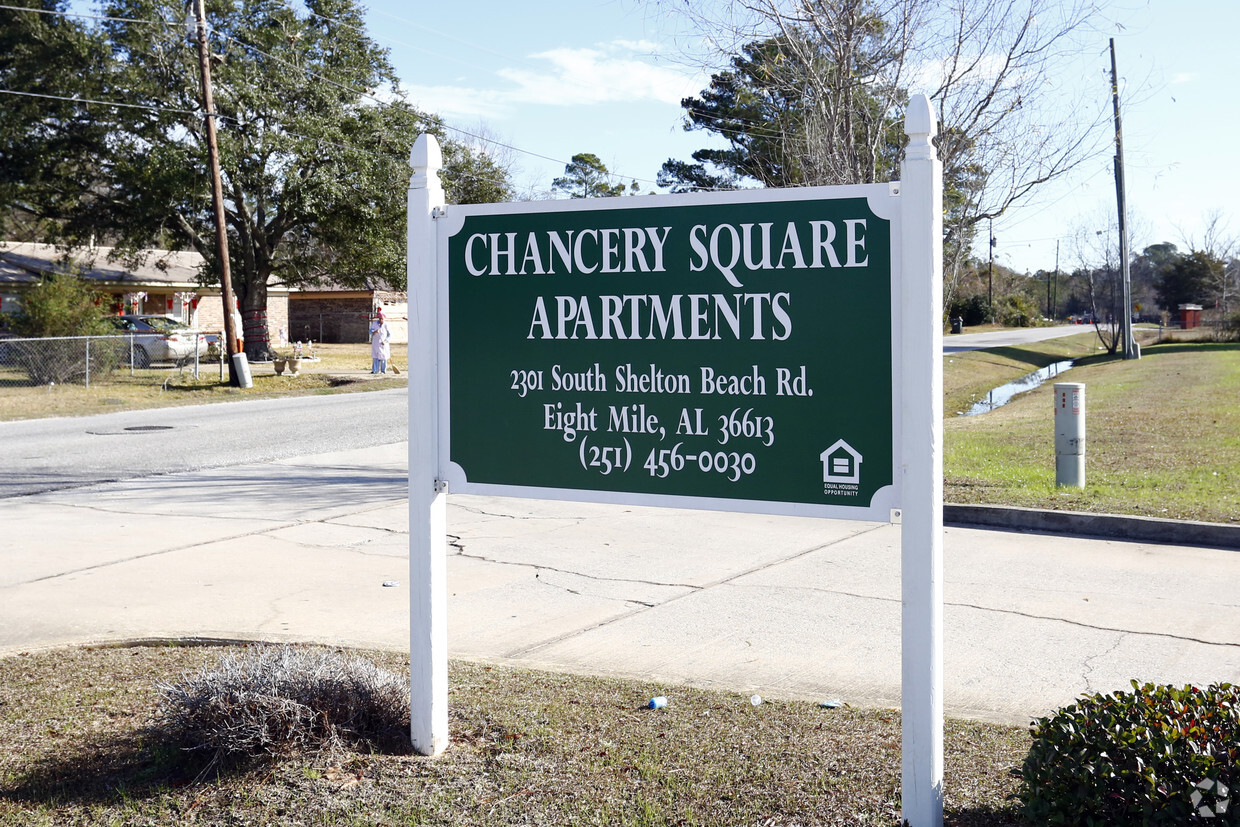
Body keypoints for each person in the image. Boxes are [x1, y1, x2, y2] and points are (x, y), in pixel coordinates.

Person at [369, 308, 392, 374]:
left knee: (383, 357)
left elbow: (389, 335)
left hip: (383, 343)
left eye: (382, 319)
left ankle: (383, 371)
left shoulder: (386, 325)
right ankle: (375, 370)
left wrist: (385, 341)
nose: (380, 320)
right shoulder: (374, 323)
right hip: (376, 342)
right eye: (379, 318)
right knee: (375, 356)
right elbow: (370, 331)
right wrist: (374, 331)